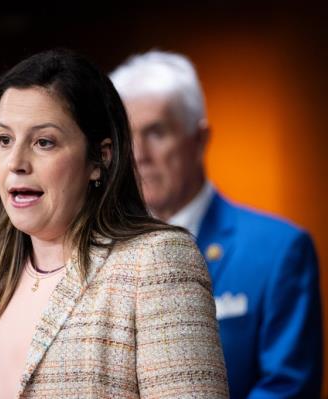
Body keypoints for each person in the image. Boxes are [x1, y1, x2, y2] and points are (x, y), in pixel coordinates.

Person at [0, 49, 228, 398]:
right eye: (5, 140)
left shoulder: (156, 262)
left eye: (43, 142)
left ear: (99, 159)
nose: (16, 162)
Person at [110, 50, 323, 398]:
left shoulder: (278, 250)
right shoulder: (102, 252)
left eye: (156, 133)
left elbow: (287, 388)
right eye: (126, 137)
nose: (138, 155)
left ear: (200, 140)